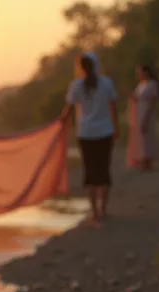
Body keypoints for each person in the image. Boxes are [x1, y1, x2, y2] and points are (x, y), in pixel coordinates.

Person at [60, 52, 119, 227]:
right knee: (104, 170)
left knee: (90, 171)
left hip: (85, 133)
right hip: (105, 132)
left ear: (80, 67)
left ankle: (94, 212)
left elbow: (68, 111)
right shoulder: (106, 83)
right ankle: (103, 210)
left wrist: (59, 126)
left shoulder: (76, 85)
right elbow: (113, 108)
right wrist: (117, 129)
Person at [128, 64, 159, 171]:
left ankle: (148, 162)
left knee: (148, 136)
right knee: (141, 137)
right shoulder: (140, 85)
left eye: (139, 72)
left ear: (145, 72)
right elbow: (137, 98)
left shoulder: (152, 84)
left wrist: (147, 116)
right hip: (139, 111)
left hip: (147, 111)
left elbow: (153, 100)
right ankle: (142, 160)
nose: (138, 75)